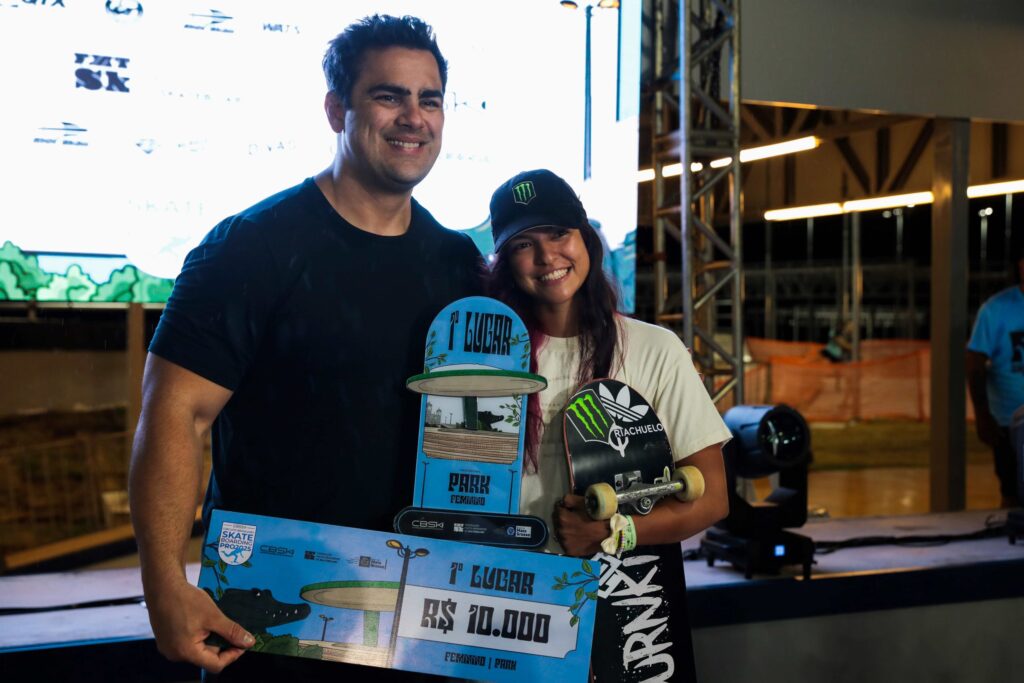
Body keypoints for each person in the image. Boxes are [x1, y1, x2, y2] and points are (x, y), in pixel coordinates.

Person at [128, 15, 482, 681]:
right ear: (335, 109)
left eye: (429, 99)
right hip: (276, 622)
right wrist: (163, 583)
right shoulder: (251, 247)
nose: (413, 117)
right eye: (388, 95)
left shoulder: (458, 262)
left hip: (419, 620)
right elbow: (176, 414)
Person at [486, 169, 731, 556]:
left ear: (586, 238)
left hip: (622, 601)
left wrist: (616, 531)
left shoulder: (656, 349)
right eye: (523, 244)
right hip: (513, 594)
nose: (547, 256)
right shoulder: (489, 358)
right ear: (506, 263)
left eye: (558, 233)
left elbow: (712, 496)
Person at [967, 241, 1024, 508]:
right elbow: (975, 362)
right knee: (1013, 492)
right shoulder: (997, 309)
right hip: (1009, 420)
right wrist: (982, 415)